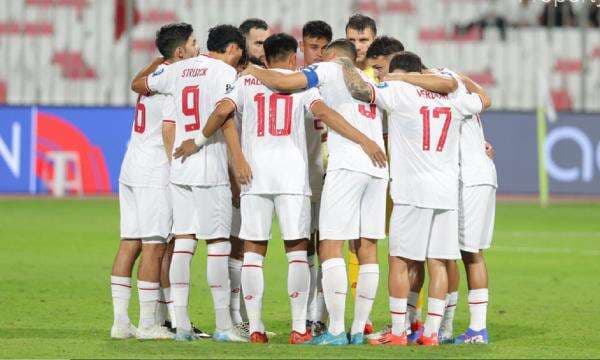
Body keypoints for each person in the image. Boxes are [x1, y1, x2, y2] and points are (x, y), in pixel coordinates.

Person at [173, 33, 386, 345]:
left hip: (254, 174)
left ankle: (256, 327)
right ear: (292, 58)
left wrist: (215, 148)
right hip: (292, 176)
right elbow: (324, 114)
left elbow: (222, 114)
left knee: (254, 251)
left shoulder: (245, 82)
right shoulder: (302, 83)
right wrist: (364, 139)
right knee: (297, 250)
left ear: (267, 56)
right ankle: (300, 328)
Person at [336, 51, 490, 346]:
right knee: (439, 262)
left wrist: (343, 64)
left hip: (411, 192)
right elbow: (483, 100)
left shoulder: (397, 90)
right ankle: (432, 333)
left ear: (396, 72)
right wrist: (463, 79)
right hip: (446, 193)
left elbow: (359, 90)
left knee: (399, 261)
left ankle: (397, 332)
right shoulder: (453, 98)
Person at [240, 39, 389, 345]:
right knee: (367, 249)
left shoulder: (326, 69)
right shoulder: (369, 79)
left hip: (348, 164)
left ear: (332, 56)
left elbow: (283, 81)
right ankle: (359, 329)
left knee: (330, 246)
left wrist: (249, 67)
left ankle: (335, 331)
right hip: (378, 168)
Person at [130, 24, 246, 342]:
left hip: (180, 169)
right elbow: (225, 117)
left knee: (183, 244)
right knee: (219, 247)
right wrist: (238, 164)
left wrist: (158, 63)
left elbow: (140, 85)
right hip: (209, 169)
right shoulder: (223, 71)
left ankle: (181, 325)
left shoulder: (176, 69)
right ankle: (224, 325)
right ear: (233, 48)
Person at [110, 22, 198, 340]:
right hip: (155, 171)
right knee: (154, 248)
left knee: (129, 243)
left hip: (131, 165)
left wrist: (160, 59)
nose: (197, 47)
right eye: (192, 43)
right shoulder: (176, 80)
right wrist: (175, 167)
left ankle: (121, 323)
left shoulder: (153, 78)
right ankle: (149, 324)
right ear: (179, 52)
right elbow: (168, 130)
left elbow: (137, 83)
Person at [299, 19, 332, 337]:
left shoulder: (335, 81)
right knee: (303, 247)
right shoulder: (293, 82)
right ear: (301, 47)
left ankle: (318, 315)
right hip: (301, 178)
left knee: (328, 246)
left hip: (331, 178)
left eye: (324, 47)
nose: (318, 52)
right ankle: (305, 313)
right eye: (313, 46)